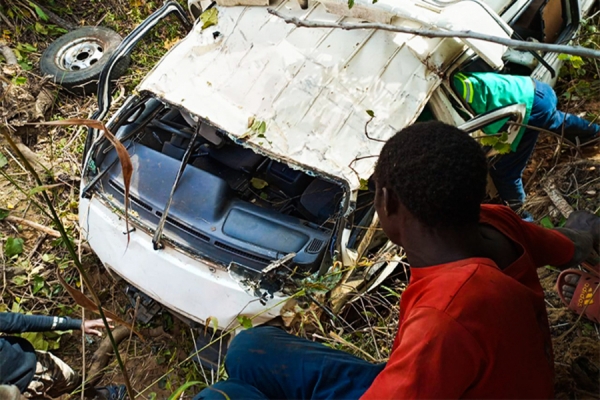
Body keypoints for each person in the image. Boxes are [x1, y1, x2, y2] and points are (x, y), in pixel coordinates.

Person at [193, 121, 599, 399]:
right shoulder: (498, 222)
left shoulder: (445, 318)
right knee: (248, 348)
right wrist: (583, 232)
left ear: (387, 204)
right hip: (485, 383)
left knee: (223, 395)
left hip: (451, 382)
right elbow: (566, 245)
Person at [453, 72, 600, 214]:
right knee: (553, 120)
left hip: (526, 106)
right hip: (536, 90)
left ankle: (523, 219)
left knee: (505, 172)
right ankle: (594, 132)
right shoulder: (452, 77)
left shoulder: (438, 92)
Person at [0, 312, 126, 399]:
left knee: (73, 380)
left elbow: (19, 322)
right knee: (72, 380)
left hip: (37, 363)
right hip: (22, 387)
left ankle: (100, 396)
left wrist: (76, 324)